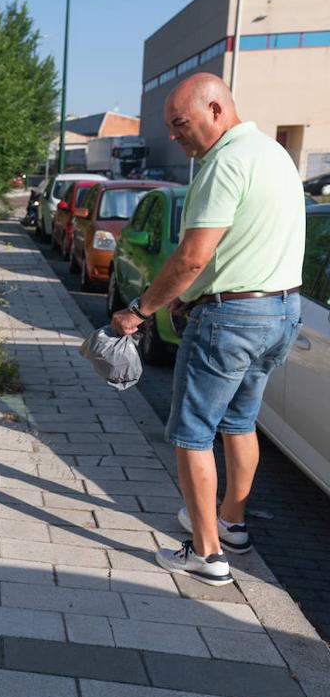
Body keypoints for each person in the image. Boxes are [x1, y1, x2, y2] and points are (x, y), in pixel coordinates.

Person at [110, 72, 305, 587]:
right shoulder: (274, 155)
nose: (175, 137)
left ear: (215, 110)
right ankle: (232, 526)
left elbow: (193, 257)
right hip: (281, 311)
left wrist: (140, 309)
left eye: (181, 124)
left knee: (191, 433)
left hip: (232, 318)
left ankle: (205, 553)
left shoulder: (225, 164)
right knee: (240, 423)